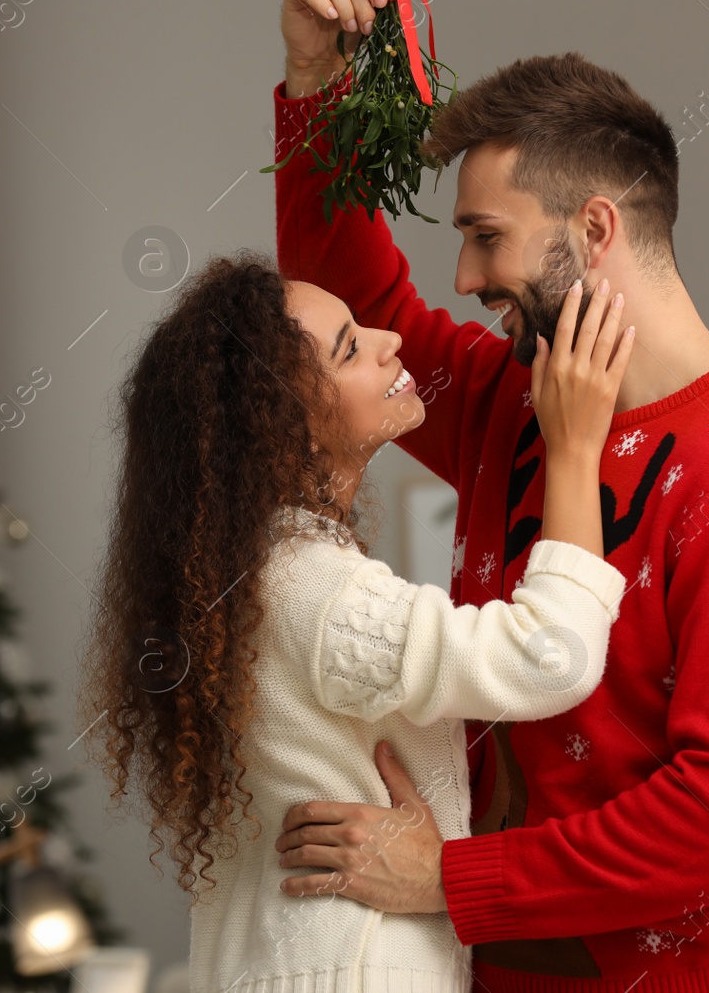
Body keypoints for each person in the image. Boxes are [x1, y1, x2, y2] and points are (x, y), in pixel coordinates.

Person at [268, 0, 709, 993]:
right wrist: (316, 86)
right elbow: (357, 318)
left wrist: (452, 877)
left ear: (594, 229)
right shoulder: (513, 396)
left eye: (485, 238)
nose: (462, 278)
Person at [80, 249, 640, 993]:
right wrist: (573, 450)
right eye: (350, 346)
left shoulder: (254, 577)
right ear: (286, 430)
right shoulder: (316, 590)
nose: (391, 342)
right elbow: (552, 656)